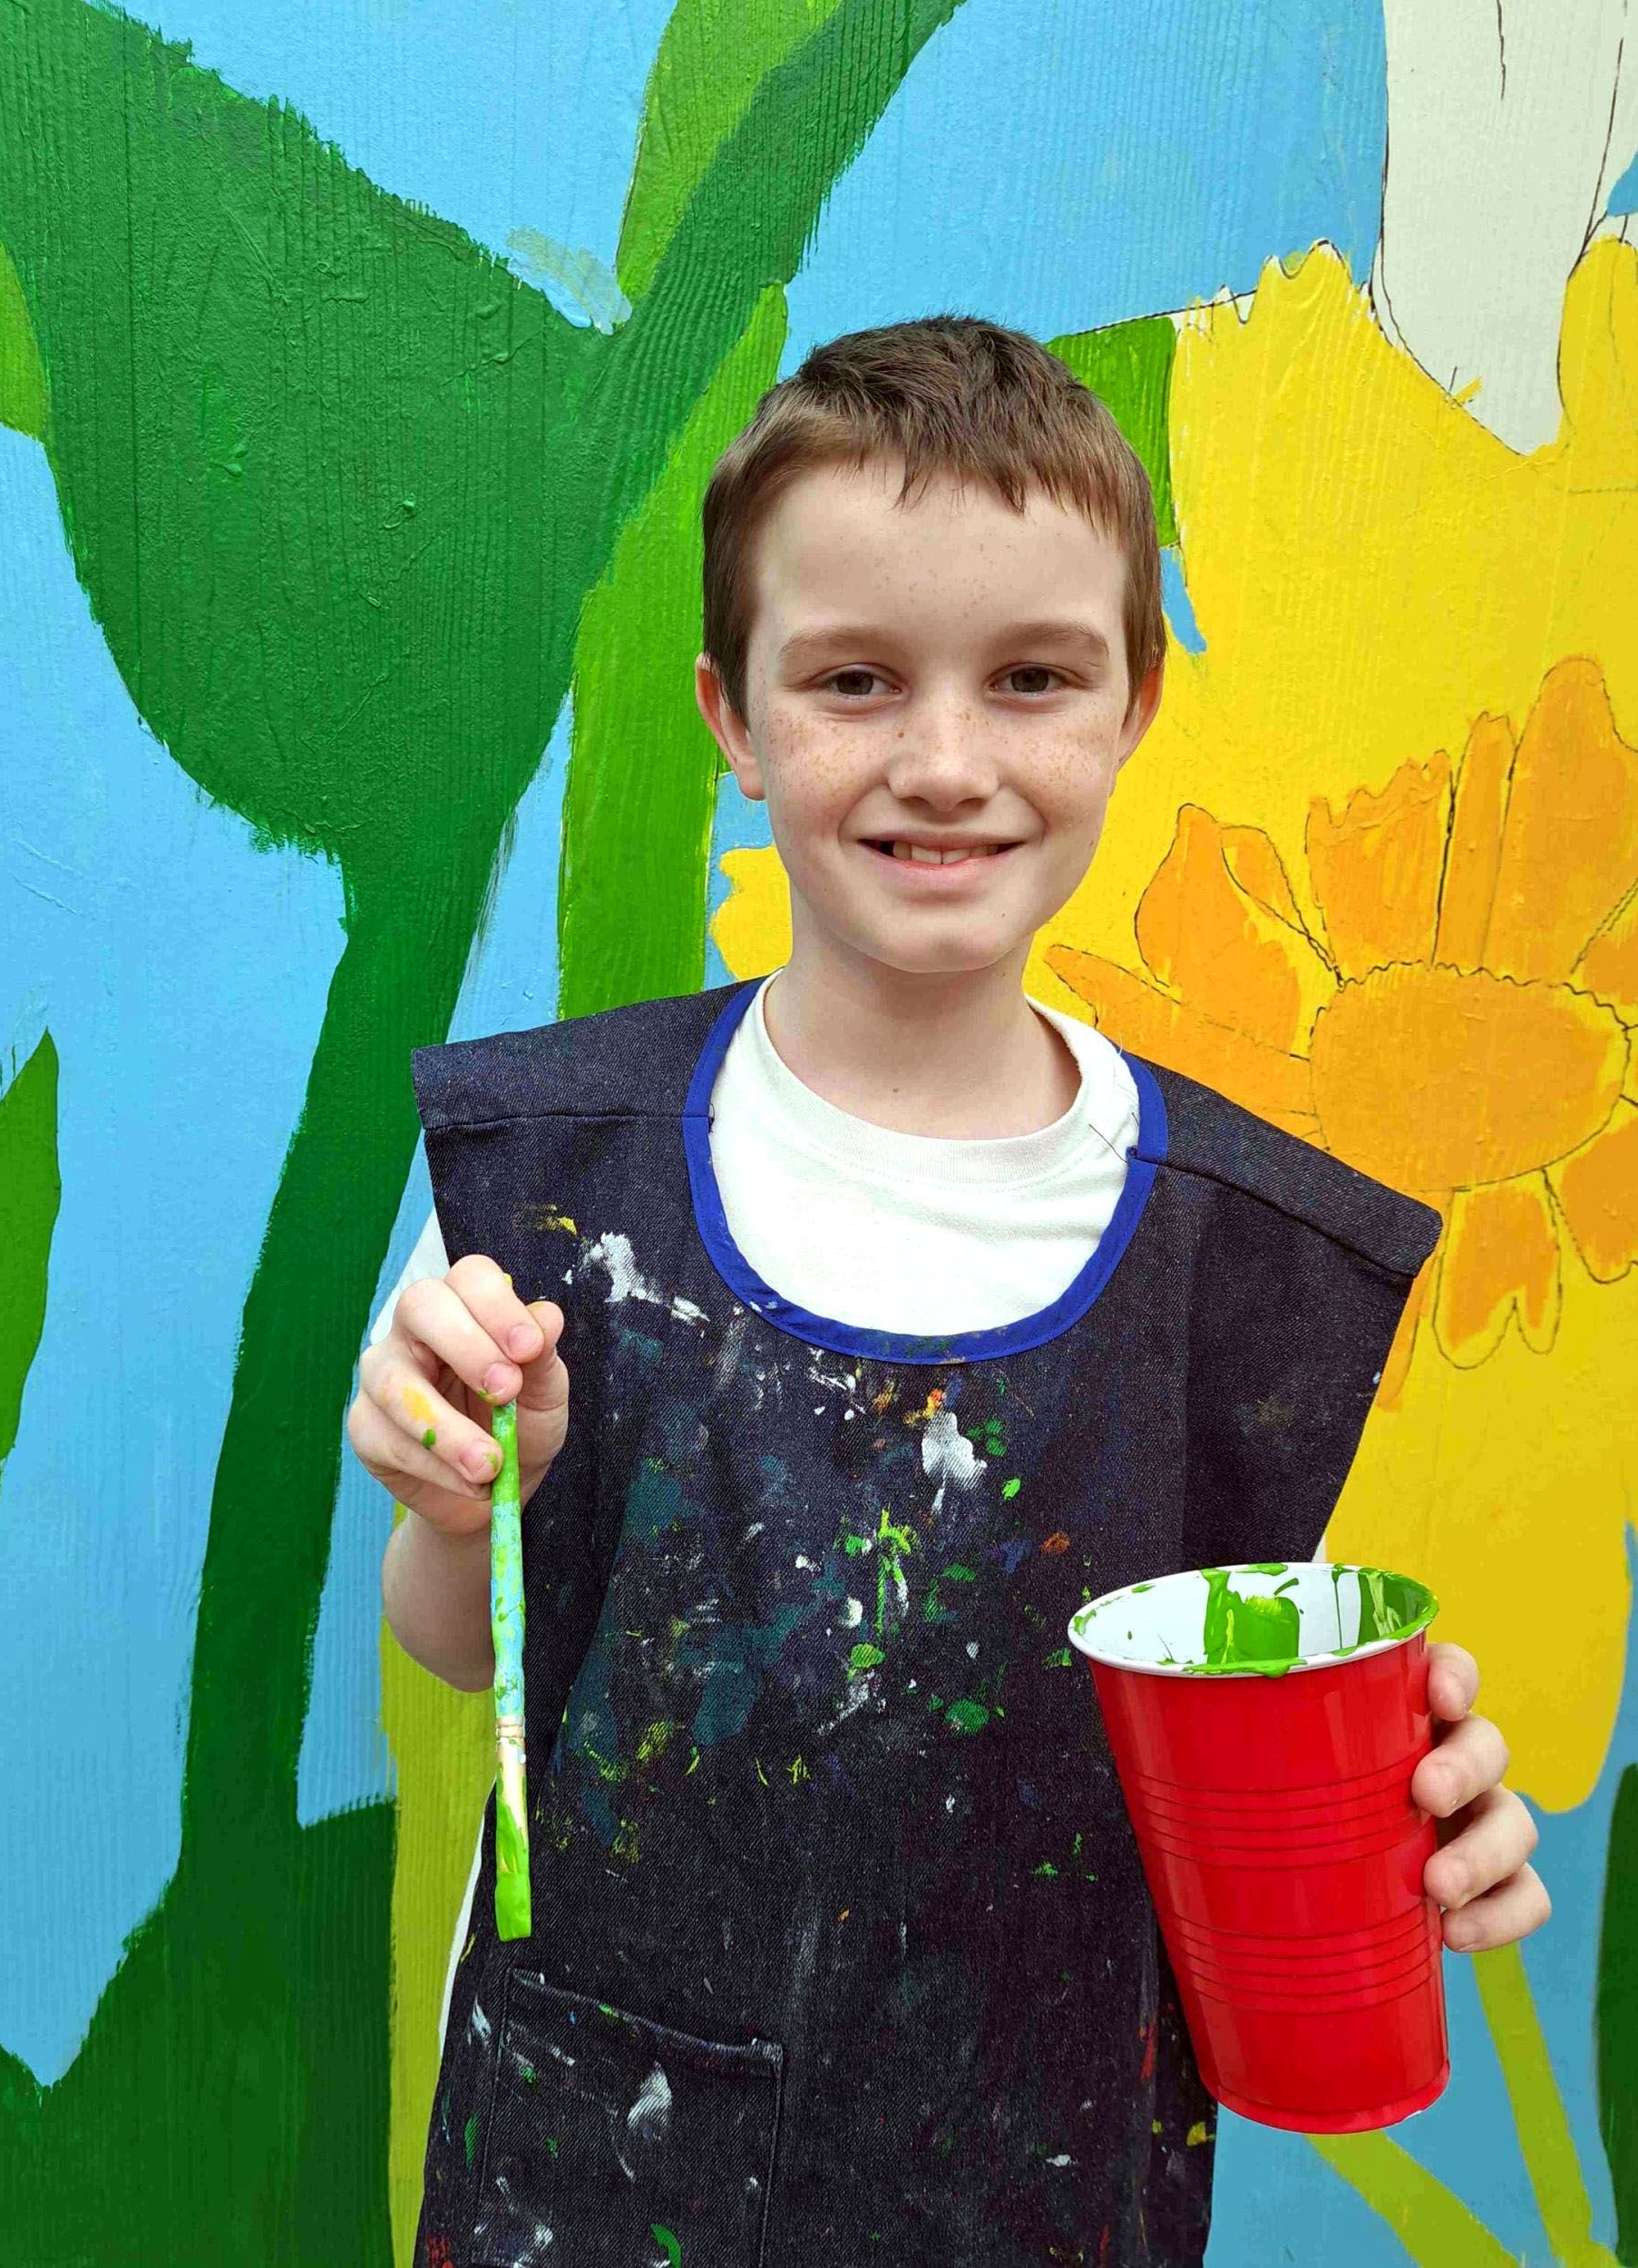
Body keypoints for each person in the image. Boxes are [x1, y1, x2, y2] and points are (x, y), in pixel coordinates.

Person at [348, 318, 1549, 2267]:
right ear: (733, 716)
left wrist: (1411, 1836)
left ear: (1134, 703)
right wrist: (458, 1501)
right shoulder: (548, 1180)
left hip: (1042, 2193)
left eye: (1030, 678)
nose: (943, 763)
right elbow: (457, 1648)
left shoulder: (1248, 1262)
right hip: (596, 2188)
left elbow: (1250, 1795)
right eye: (853, 679)